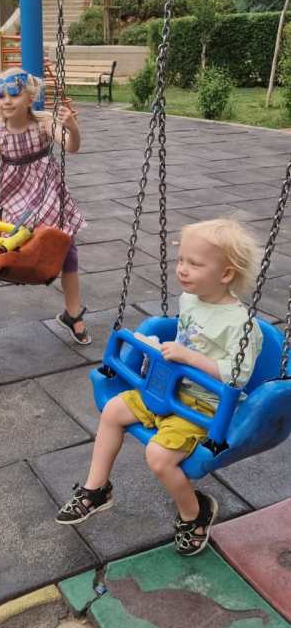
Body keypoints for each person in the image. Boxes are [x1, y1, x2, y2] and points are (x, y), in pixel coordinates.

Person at [56, 218, 263, 555]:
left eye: (194, 264)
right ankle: (97, 489)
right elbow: (183, 338)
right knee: (113, 411)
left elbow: (237, 377)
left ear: (226, 274)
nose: (182, 269)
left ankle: (195, 513)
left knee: (158, 457)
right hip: (166, 390)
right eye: (181, 260)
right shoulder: (190, 299)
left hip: (202, 407)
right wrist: (154, 348)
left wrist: (190, 358)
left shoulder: (241, 325)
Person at [0, 68, 90, 344]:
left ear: (30, 97)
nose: (7, 100)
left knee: (67, 246)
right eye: (1, 95)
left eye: (14, 94)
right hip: (17, 197)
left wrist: (72, 128)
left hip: (47, 191)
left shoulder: (43, 122)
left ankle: (73, 314)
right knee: (22, 245)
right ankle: (33, 269)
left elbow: (71, 147)